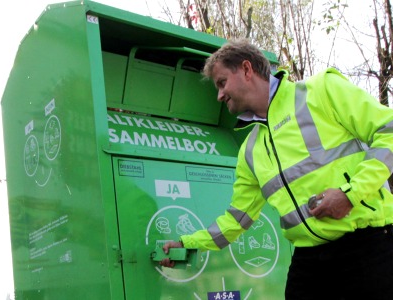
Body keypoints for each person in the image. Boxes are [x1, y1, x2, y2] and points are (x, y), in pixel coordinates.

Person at [160, 38, 393, 300]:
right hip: (309, 261)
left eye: (222, 82)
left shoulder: (322, 91)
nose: (219, 95)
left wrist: (350, 194)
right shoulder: (249, 151)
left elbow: (389, 131)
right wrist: (187, 244)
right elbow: (236, 220)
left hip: (367, 247)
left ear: (247, 69)